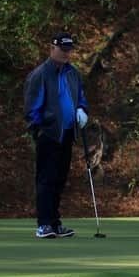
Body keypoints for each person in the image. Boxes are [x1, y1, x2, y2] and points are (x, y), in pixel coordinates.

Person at [23, 32, 88, 238]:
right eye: (63, 50)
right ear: (52, 48)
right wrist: (39, 128)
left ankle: (55, 222)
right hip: (48, 133)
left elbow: (80, 97)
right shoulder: (40, 74)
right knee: (46, 179)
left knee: (59, 179)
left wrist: (81, 109)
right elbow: (32, 107)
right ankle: (44, 224)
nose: (66, 54)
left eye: (69, 50)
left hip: (67, 133)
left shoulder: (73, 73)